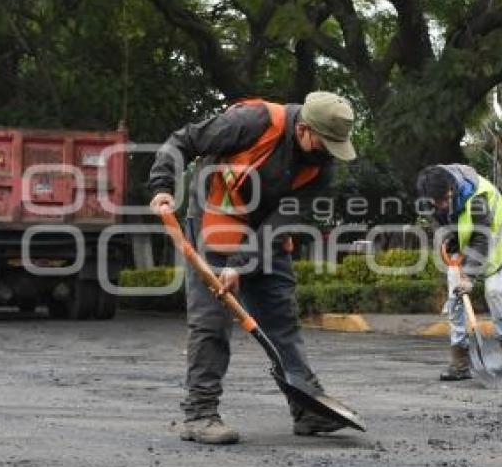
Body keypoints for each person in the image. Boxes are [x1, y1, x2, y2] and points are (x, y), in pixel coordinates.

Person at [148, 91, 356, 444]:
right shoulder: (252, 122)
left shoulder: (322, 165)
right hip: (218, 220)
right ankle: (199, 414)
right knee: (211, 321)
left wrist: (242, 264)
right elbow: (182, 141)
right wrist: (163, 186)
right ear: (304, 129)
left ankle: (307, 408)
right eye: (324, 143)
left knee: (282, 320)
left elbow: (282, 219)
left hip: (264, 234)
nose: (328, 154)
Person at [416, 164, 502, 381]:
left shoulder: (477, 199)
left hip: (494, 243)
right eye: (438, 202)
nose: (443, 205)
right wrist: (448, 238)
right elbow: (439, 221)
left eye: (445, 199)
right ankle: (460, 362)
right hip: (467, 247)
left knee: (495, 293)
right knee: (455, 299)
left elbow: (482, 238)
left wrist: (470, 276)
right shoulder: (432, 196)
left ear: (452, 188)